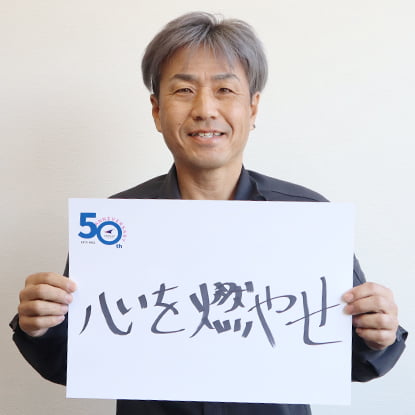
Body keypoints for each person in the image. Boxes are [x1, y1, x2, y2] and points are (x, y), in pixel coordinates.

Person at [10, 11, 407, 415]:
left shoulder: (307, 218)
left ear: (253, 108)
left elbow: (350, 360)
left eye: (224, 89)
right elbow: (75, 362)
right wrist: (41, 327)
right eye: (184, 90)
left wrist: (378, 334)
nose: (204, 109)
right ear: (156, 110)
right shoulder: (115, 222)